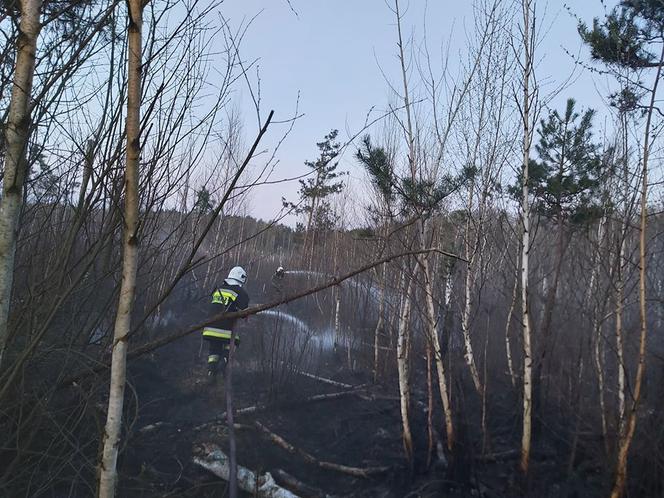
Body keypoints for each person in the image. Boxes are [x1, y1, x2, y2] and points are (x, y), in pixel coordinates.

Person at [202, 266, 250, 378]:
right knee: (235, 341)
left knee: (214, 349)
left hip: (209, 328)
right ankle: (223, 362)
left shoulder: (218, 289)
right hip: (225, 329)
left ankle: (211, 372)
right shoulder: (239, 291)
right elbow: (244, 310)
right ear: (242, 279)